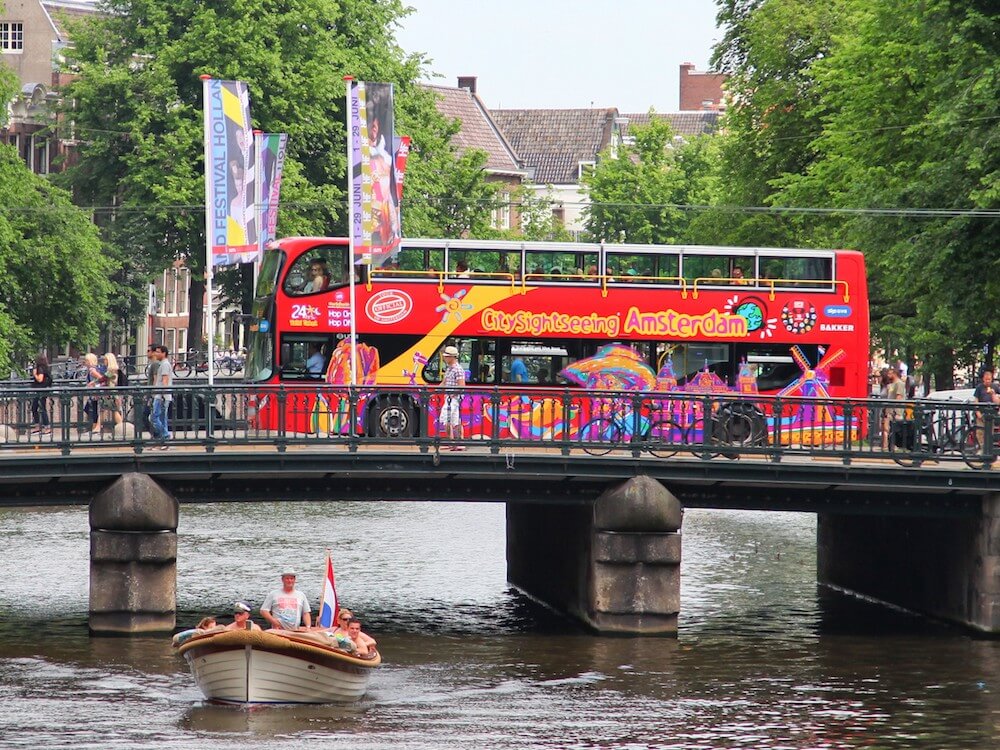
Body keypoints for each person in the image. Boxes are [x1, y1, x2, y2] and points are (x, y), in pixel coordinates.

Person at [439, 345, 465, 450]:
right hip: (450, 398)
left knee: (447, 419)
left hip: (453, 399)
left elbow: (461, 386)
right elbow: (444, 382)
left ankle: (453, 442)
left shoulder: (457, 369)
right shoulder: (449, 369)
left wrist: (452, 395)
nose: (444, 358)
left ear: (452, 357)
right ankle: (457, 443)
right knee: (454, 421)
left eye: (446, 356)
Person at [150, 345, 174, 450]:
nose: (156, 354)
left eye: (158, 352)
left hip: (161, 396)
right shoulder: (163, 364)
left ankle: (165, 436)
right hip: (161, 395)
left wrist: (163, 394)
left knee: (155, 417)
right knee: (161, 418)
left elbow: (165, 380)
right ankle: (163, 440)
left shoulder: (164, 365)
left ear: (164, 353)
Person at [973, 367, 1000, 451]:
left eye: (989, 379)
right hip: (981, 413)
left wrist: (993, 394)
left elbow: (998, 402)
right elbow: (976, 400)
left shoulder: (995, 387)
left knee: (989, 432)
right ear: (983, 379)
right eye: (986, 379)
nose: (988, 381)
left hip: (991, 414)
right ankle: (982, 449)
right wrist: (978, 413)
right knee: (980, 432)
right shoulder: (979, 387)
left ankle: (988, 449)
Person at [881, 367, 906, 450]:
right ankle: (885, 446)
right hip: (889, 410)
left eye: (890, 373)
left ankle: (893, 445)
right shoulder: (891, 385)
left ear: (895, 374)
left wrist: (895, 407)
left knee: (894, 428)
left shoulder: (900, 384)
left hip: (896, 410)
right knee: (886, 428)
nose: (888, 375)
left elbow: (899, 396)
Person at [100, 353, 124, 430]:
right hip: (113, 393)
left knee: (114, 411)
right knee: (106, 410)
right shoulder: (115, 370)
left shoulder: (111, 370)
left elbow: (102, 379)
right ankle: (98, 427)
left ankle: (122, 428)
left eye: (105, 359)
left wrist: (94, 383)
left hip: (112, 393)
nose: (104, 361)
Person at [82, 352, 104, 432]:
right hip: (94, 393)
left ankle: (95, 427)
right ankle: (94, 427)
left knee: (91, 409)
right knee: (90, 408)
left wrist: (93, 383)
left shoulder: (92, 370)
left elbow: (101, 378)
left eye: (86, 360)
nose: (85, 362)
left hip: (96, 393)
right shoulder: (94, 368)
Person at [30, 354, 52, 435]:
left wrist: (35, 374)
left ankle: (46, 427)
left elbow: (40, 379)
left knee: (40, 408)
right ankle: (38, 427)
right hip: (42, 390)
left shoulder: (40, 368)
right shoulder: (46, 368)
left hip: (40, 391)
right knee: (35, 407)